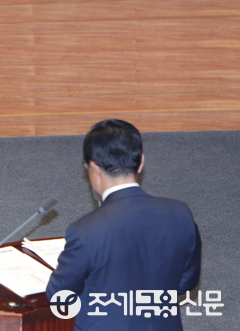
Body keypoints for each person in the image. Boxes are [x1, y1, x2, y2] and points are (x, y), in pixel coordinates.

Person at [46, 119, 201, 331]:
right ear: (141, 162)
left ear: (94, 168)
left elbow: (59, 296)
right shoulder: (180, 214)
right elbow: (186, 283)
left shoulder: (85, 231)